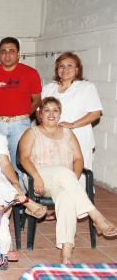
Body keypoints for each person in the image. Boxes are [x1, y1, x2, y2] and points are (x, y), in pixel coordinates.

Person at [19, 97, 117, 264]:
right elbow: (24, 158)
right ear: (40, 114)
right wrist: (36, 177)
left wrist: (72, 179)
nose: (51, 113)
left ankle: (66, 255)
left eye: (55, 110)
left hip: (65, 180)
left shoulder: (68, 133)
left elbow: (79, 159)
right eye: (47, 110)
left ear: (60, 114)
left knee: (67, 199)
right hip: (39, 179)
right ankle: (96, 216)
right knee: (64, 172)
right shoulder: (32, 132)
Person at [0, 37, 42, 191]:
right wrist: (1, 113)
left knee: (20, 162)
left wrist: (20, 115)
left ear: (18, 54)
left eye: (11, 51)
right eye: (3, 51)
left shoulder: (31, 73)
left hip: (20, 125)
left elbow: (36, 100)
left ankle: (22, 199)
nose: (7, 55)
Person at [42, 52, 102, 176]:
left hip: (80, 137)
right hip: (53, 139)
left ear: (77, 69)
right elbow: (40, 112)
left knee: (80, 176)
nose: (65, 69)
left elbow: (96, 113)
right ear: (57, 69)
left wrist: (72, 124)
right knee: (57, 176)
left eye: (70, 65)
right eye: (61, 66)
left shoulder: (86, 87)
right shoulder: (48, 88)